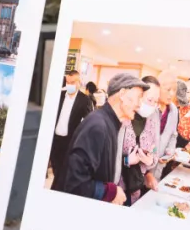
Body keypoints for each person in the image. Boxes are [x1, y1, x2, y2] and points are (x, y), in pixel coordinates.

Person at [62, 73, 149, 204]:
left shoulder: (111, 124)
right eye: (139, 97)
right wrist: (110, 192)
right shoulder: (97, 126)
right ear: (122, 94)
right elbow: (74, 183)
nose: (139, 105)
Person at [120, 76, 162, 203]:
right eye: (150, 100)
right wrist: (127, 160)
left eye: (155, 101)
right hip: (116, 188)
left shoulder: (152, 121)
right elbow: (107, 158)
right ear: (139, 95)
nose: (152, 105)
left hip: (136, 188)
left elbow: (154, 149)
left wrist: (150, 160)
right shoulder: (122, 118)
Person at [50, 70, 94, 190]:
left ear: (79, 83)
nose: (69, 85)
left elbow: (88, 122)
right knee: (56, 167)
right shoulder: (59, 96)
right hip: (55, 140)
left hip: (69, 141)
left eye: (73, 82)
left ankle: (56, 189)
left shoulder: (84, 100)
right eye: (68, 82)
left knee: (63, 170)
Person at [152, 71, 179, 179]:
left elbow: (173, 135)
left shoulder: (173, 110)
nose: (172, 94)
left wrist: (170, 151)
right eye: (168, 90)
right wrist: (154, 154)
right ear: (158, 88)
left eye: (174, 90)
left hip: (161, 165)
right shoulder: (150, 108)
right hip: (143, 166)